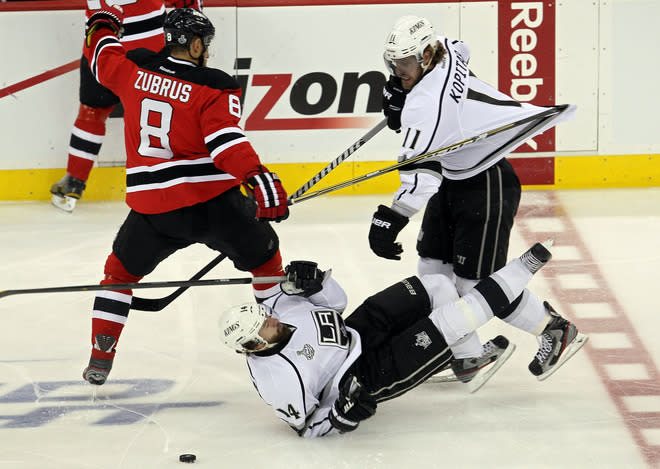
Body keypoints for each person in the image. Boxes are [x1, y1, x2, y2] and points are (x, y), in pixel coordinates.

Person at [80, 5, 290, 386]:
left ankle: (100, 355)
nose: (207, 51)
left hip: (153, 210)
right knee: (267, 262)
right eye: (205, 44)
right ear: (195, 46)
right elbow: (224, 141)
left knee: (119, 274)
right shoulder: (216, 85)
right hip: (215, 206)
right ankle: (283, 341)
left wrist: (102, 23)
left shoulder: (133, 66)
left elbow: (100, 55)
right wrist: (255, 176)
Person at [368, 15, 580, 382]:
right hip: (457, 176)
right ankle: (468, 356)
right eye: (394, 62)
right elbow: (456, 46)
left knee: (474, 285)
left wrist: (391, 218)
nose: (397, 69)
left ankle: (554, 329)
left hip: (487, 181)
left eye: (405, 63)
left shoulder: (426, 107)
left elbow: (419, 175)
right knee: (433, 273)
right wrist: (402, 93)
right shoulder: (446, 51)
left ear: (426, 55)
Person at [219, 241, 587, 437]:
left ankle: (469, 360)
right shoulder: (276, 382)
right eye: (265, 326)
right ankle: (523, 270)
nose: (271, 319)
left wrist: (318, 282)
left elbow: (336, 304)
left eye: (265, 315)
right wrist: (341, 418)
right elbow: (307, 428)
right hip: (367, 374)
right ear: (256, 346)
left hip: (358, 329)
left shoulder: (279, 312)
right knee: (450, 320)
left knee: (439, 286)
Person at [50, 0, 202, 212]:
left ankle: (73, 182)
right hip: (152, 48)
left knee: (92, 112)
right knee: (168, 113)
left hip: (101, 45)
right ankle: (179, 182)